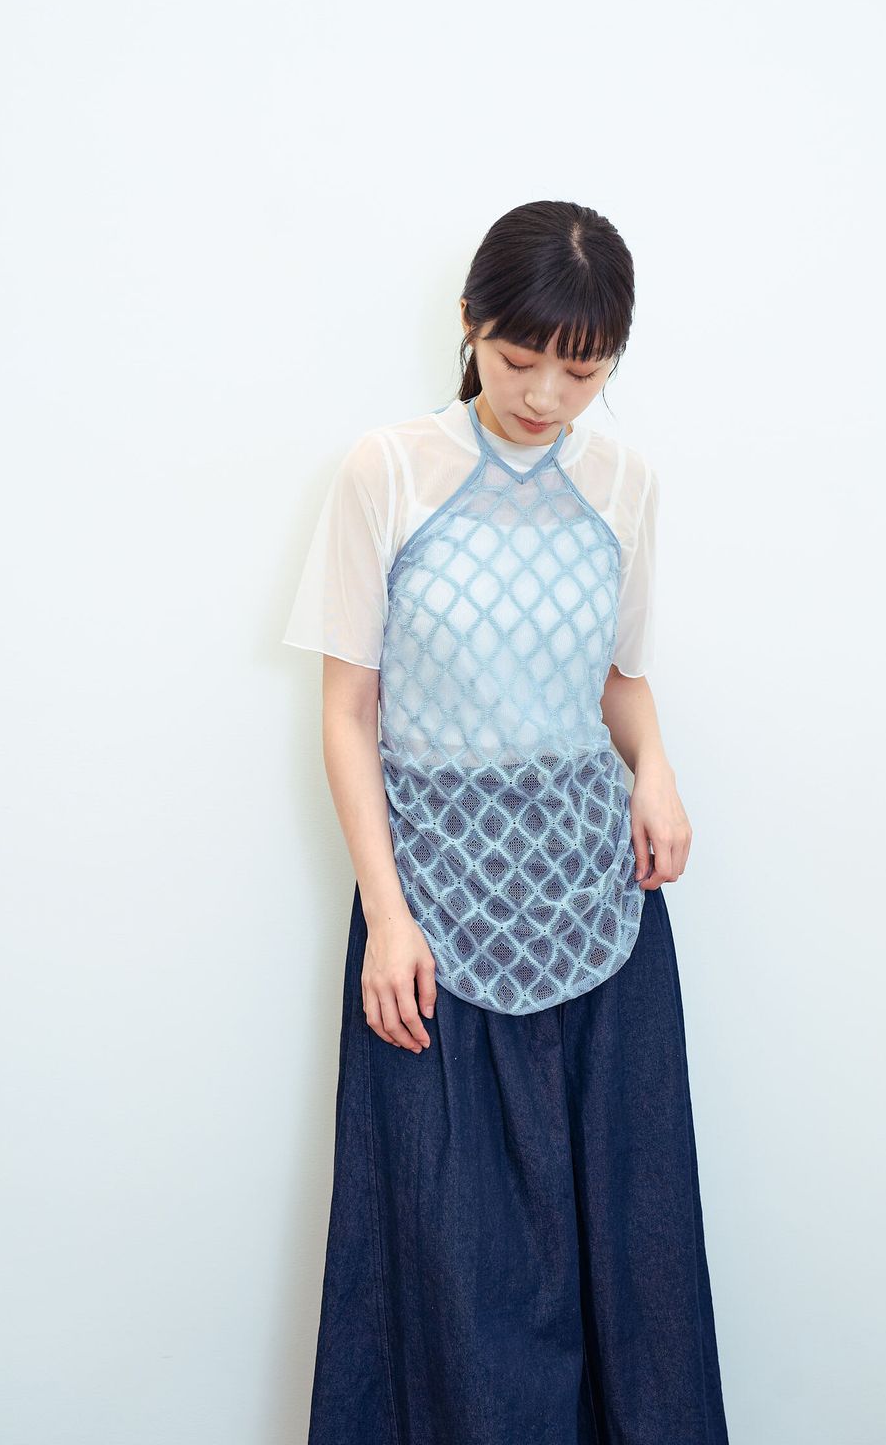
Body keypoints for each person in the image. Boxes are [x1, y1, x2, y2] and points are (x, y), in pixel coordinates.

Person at [282, 200, 730, 1444]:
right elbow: (348, 711)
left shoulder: (624, 484)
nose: (543, 396)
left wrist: (655, 770)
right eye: (519, 358)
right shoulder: (387, 471)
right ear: (470, 324)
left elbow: (619, 680)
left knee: (633, 1256)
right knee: (449, 1257)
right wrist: (385, 918)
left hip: (599, 905)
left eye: (581, 372)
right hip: (431, 918)